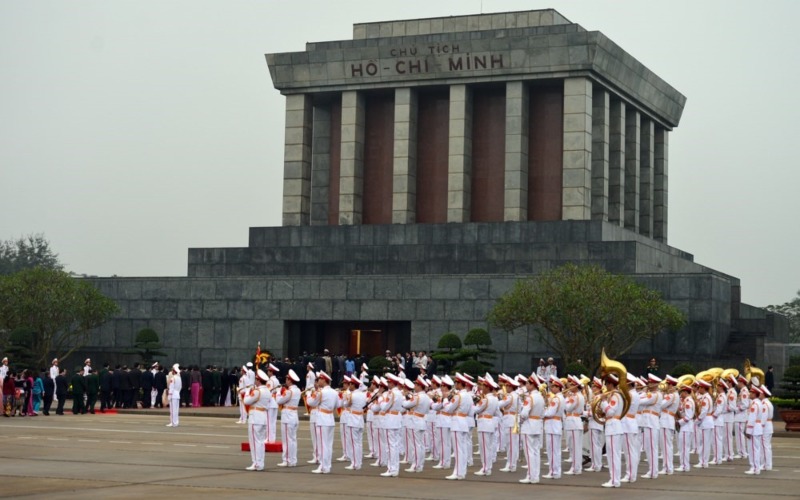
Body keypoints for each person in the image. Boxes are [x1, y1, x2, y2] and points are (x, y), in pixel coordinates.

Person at [306, 370, 337, 474]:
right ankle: (327, 465)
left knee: (322, 444)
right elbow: (337, 405)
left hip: (322, 419)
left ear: (324, 380)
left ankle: (323, 466)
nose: (318, 381)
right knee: (328, 444)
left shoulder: (321, 392)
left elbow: (310, 402)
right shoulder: (334, 392)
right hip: (330, 418)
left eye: (319, 379)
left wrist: (310, 394)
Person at [599, 374, 624, 488]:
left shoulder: (615, 396)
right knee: (613, 455)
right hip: (613, 426)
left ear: (610, 384)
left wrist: (604, 401)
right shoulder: (615, 395)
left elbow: (610, 412)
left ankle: (614, 480)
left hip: (613, 426)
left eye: (606, 384)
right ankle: (614, 479)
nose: (605, 387)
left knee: (613, 455)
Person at [243, 369, 270, 471]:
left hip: (255, 418)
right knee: (260, 442)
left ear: (258, 380)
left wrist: (247, 391)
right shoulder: (267, 391)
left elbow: (246, 401)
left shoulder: (257, 391)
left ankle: (256, 463)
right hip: (262, 416)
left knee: (254, 442)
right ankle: (260, 463)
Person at [276, 368, 302, 468]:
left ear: (290, 380)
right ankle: (293, 460)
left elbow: (279, 401)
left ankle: (287, 460)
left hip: (287, 416)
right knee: (293, 439)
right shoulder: (298, 390)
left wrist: (278, 392)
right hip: (294, 415)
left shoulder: (289, 392)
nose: (286, 381)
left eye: (287, 379)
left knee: (287, 440)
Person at [543, 375, 565, 480]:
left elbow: (550, 412)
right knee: (555, 450)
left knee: (552, 451)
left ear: (558, 387)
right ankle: (556, 471)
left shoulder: (556, 399)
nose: (551, 388)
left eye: (553, 387)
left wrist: (542, 412)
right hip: (555, 425)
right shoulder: (560, 398)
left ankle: (553, 472)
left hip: (552, 425)